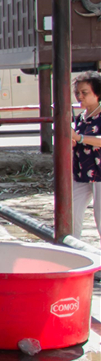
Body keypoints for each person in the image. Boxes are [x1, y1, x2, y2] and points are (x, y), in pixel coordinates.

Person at [71, 72, 101, 238]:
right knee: (72, 213)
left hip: (100, 172)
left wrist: (80, 138)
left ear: (97, 93)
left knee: (100, 216)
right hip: (81, 172)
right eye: (78, 93)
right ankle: (72, 252)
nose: (79, 96)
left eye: (84, 92)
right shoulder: (81, 117)